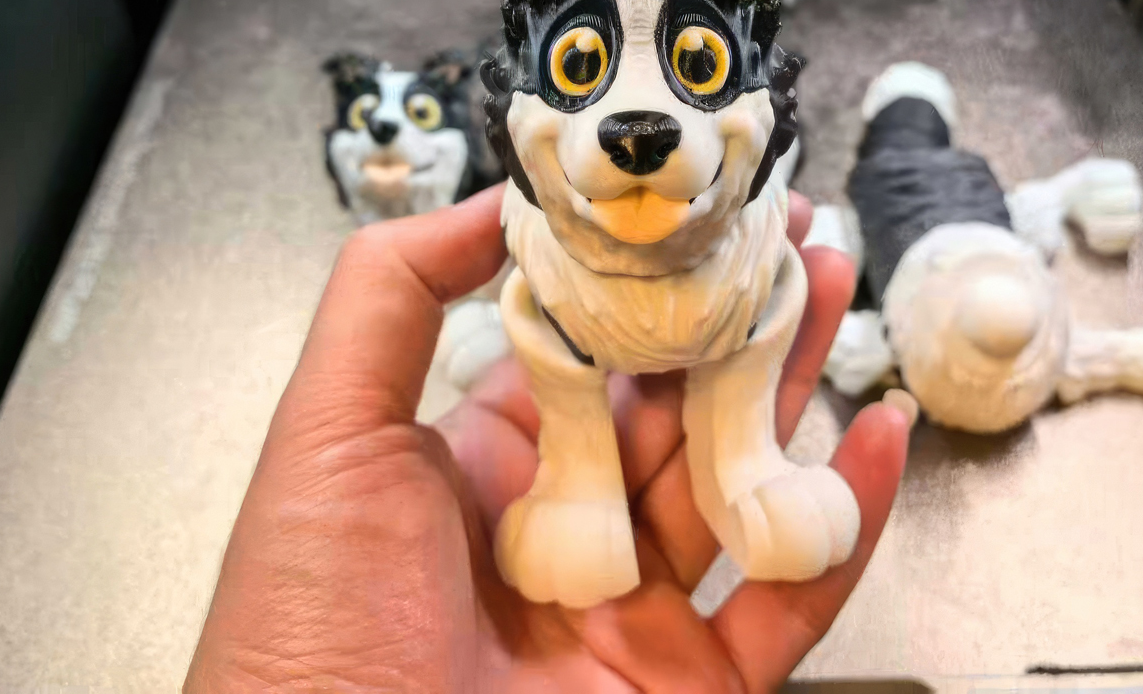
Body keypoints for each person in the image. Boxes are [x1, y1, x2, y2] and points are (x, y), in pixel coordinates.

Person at [184, 184, 910, 692]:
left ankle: (743, 458)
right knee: (549, 333)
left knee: (768, 300)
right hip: (570, 296)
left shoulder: (759, 259)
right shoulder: (540, 271)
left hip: (730, 288)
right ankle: (577, 481)